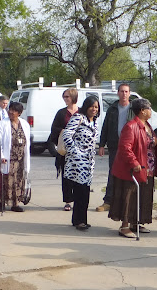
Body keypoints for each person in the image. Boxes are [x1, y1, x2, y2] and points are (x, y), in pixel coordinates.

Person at [109, 98, 157, 238]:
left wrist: (155, 141)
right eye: (149, 108)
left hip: (148, 166)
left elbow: (148, 140)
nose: (151, 111)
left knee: (143, 195)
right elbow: (125, 148)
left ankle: (136, 223)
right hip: (134, 169)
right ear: (142, 111)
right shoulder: (131, 126)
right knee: (129, 196)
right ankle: (124, 226)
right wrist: (134, 163)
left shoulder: (146, 124)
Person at [62, 95, 101, 230]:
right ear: (86, 106)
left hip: (89, 162)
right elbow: (66, 134)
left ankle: (81, 219)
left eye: (96, 107)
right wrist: (75, 152)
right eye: (91, 106)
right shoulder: (78, 118)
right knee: (80, 192)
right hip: (77, 162)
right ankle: (79, 221)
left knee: (85, 191)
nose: (94, 109)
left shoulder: (94, 121)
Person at [97, 83, 132, 212]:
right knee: (113, 173)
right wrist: (101, 144)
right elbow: (105, 127)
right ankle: (108, 201)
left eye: (126, 91)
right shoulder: (112, 109)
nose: (124, 94)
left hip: (130, 148)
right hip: (114, 146)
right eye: (122, 91)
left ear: (129, 93)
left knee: (129, 175)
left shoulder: (134, 109)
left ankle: (126, 203)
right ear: (118, 93)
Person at [0, 101, 31, 212]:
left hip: (20, 159)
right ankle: (2, 202)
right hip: (8, 158)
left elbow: (27, 141)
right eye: (10, 110)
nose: (11, 112)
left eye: (14, 111)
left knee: (18, 181)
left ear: (19, 113)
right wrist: (1, 155)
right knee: (6, 181)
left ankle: (15, 203)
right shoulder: (2, 124)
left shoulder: (24, 124)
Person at [49, 88, 79, 212]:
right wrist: (63, 131)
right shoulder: (61, 113)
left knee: (78, 175)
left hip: (79, 149)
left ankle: (78, 199)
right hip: (65, 149)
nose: (65, 99)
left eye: (67, 97)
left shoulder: (81, 112)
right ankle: (68, 201)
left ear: (73, 97)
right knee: (66, 176)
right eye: (64, 97)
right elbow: (54, 128)